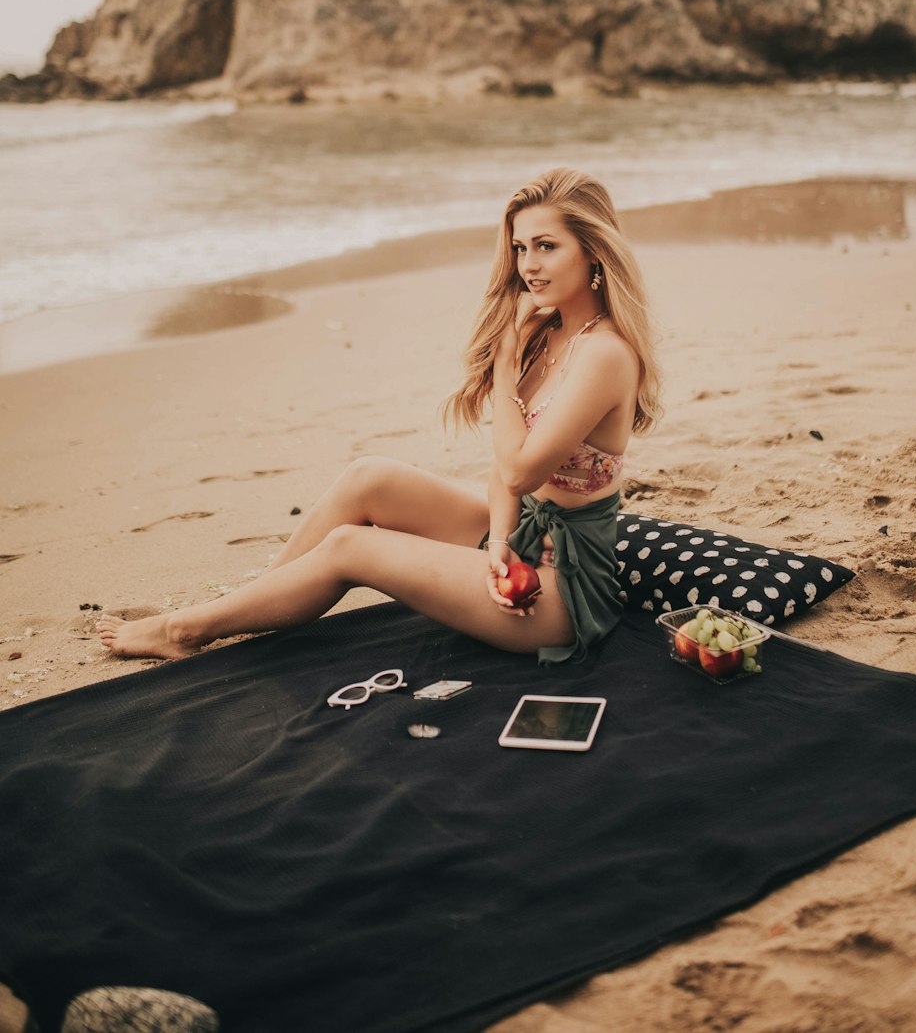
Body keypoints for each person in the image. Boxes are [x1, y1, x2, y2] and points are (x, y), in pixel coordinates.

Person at [98, 168, 661, 666]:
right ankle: (251, 605)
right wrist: (496, 545)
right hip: (517, 539)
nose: (528, 266)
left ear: (590, 249)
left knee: (351, 547)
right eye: (519, 248)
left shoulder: (604, 354)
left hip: (561, 591)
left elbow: (520, 470)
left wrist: (508, 361)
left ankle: (186, 629)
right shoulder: (547, 330)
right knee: (369, 477)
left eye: (546, 246)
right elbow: (500, 471)